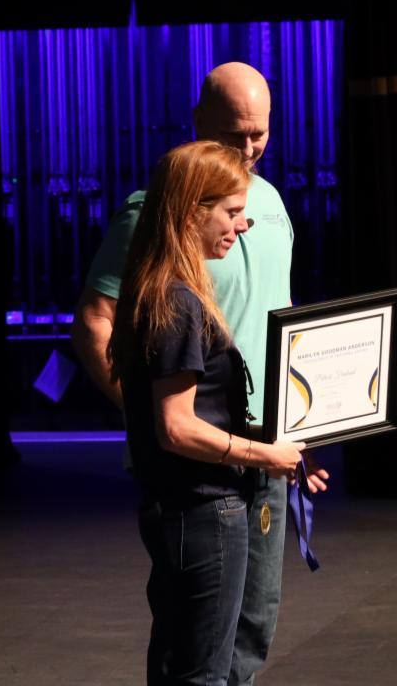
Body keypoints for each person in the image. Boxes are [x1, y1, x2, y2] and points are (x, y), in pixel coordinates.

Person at [72, 62, 328, 684]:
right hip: (200, 462)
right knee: (196, 639)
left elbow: (280, 319)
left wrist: (299, 427)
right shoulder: (156, 214)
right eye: (236, 133)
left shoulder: (269, 204)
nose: (250, 147)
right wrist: (157, 418)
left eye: (260, 133)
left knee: (251, 625)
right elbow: (96, 322)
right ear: (199, 122)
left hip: (262, 449)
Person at [109, 141, 304, 685]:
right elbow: (176, 427)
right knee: (205, 674)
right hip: (203, 509)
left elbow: (200, 412)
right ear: (192, 211)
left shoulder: (159, 291)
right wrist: (264, 456)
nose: (242, 226)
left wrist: (270, 442)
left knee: (181, 665)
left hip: (184, 508)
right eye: (232, 211)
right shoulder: (178, 302)